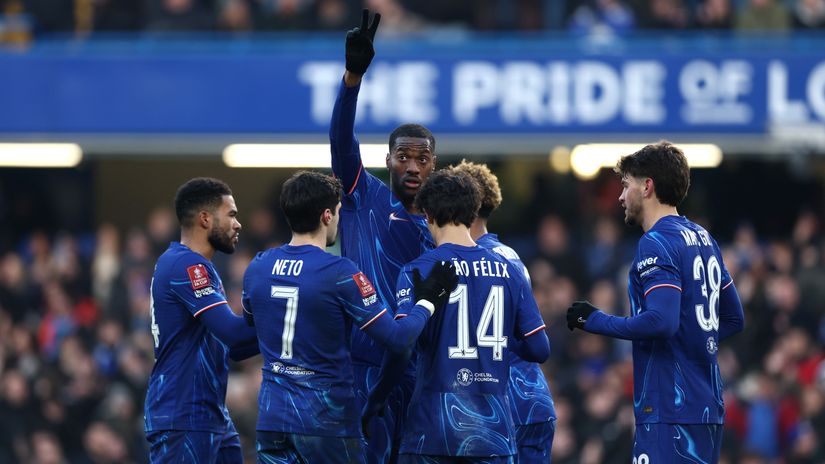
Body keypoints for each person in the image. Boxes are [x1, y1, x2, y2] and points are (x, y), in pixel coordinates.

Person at [242, 171, 457, 463]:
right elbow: (397, 339)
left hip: (272, 419)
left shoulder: (258, 266)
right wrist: (427, 301)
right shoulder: (340, 272)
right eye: (339, 211)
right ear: (327, 215)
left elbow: (249, 328)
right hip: (326, 422)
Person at [565, 141, 745, 463]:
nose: (621, 197)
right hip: (707, 406)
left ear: (647, 187)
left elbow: (661, 322)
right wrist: (692, 343)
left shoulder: (657, 242)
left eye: (626, 185)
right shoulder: (704, 239)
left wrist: (594, 320)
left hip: (669, 407)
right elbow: (734, 318)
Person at [365, 170, 551, 463]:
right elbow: (540, 349)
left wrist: (377, 399)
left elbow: (401, 347)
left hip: (432, 431)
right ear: (474, 211)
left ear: (427, 215)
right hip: (495, 433)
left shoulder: (417, 269)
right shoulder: (509, 269)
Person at [331, 8, 439, 463]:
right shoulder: (364, 195)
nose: (412, 167)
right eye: (403, 157)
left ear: (434, 165)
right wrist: (352, 79)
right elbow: (341, 140)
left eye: (422, 159)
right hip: (362, 365)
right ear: (388, 160)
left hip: (420, 372)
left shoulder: (444, 225)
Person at [446, 160, 556, 463]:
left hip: (496, 410)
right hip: (534, 401)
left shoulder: (464, 263)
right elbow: (536, 344)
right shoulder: (510, 256)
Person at [144, 177, 259, 463]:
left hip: (209, 413)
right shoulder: (186, 265)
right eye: (231, 214)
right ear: (205, 219)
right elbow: (234, 334)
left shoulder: (197, 266)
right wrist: (281, 311)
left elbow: (235, 348)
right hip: (183, 413)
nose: (238, 224)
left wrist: (293, 330)